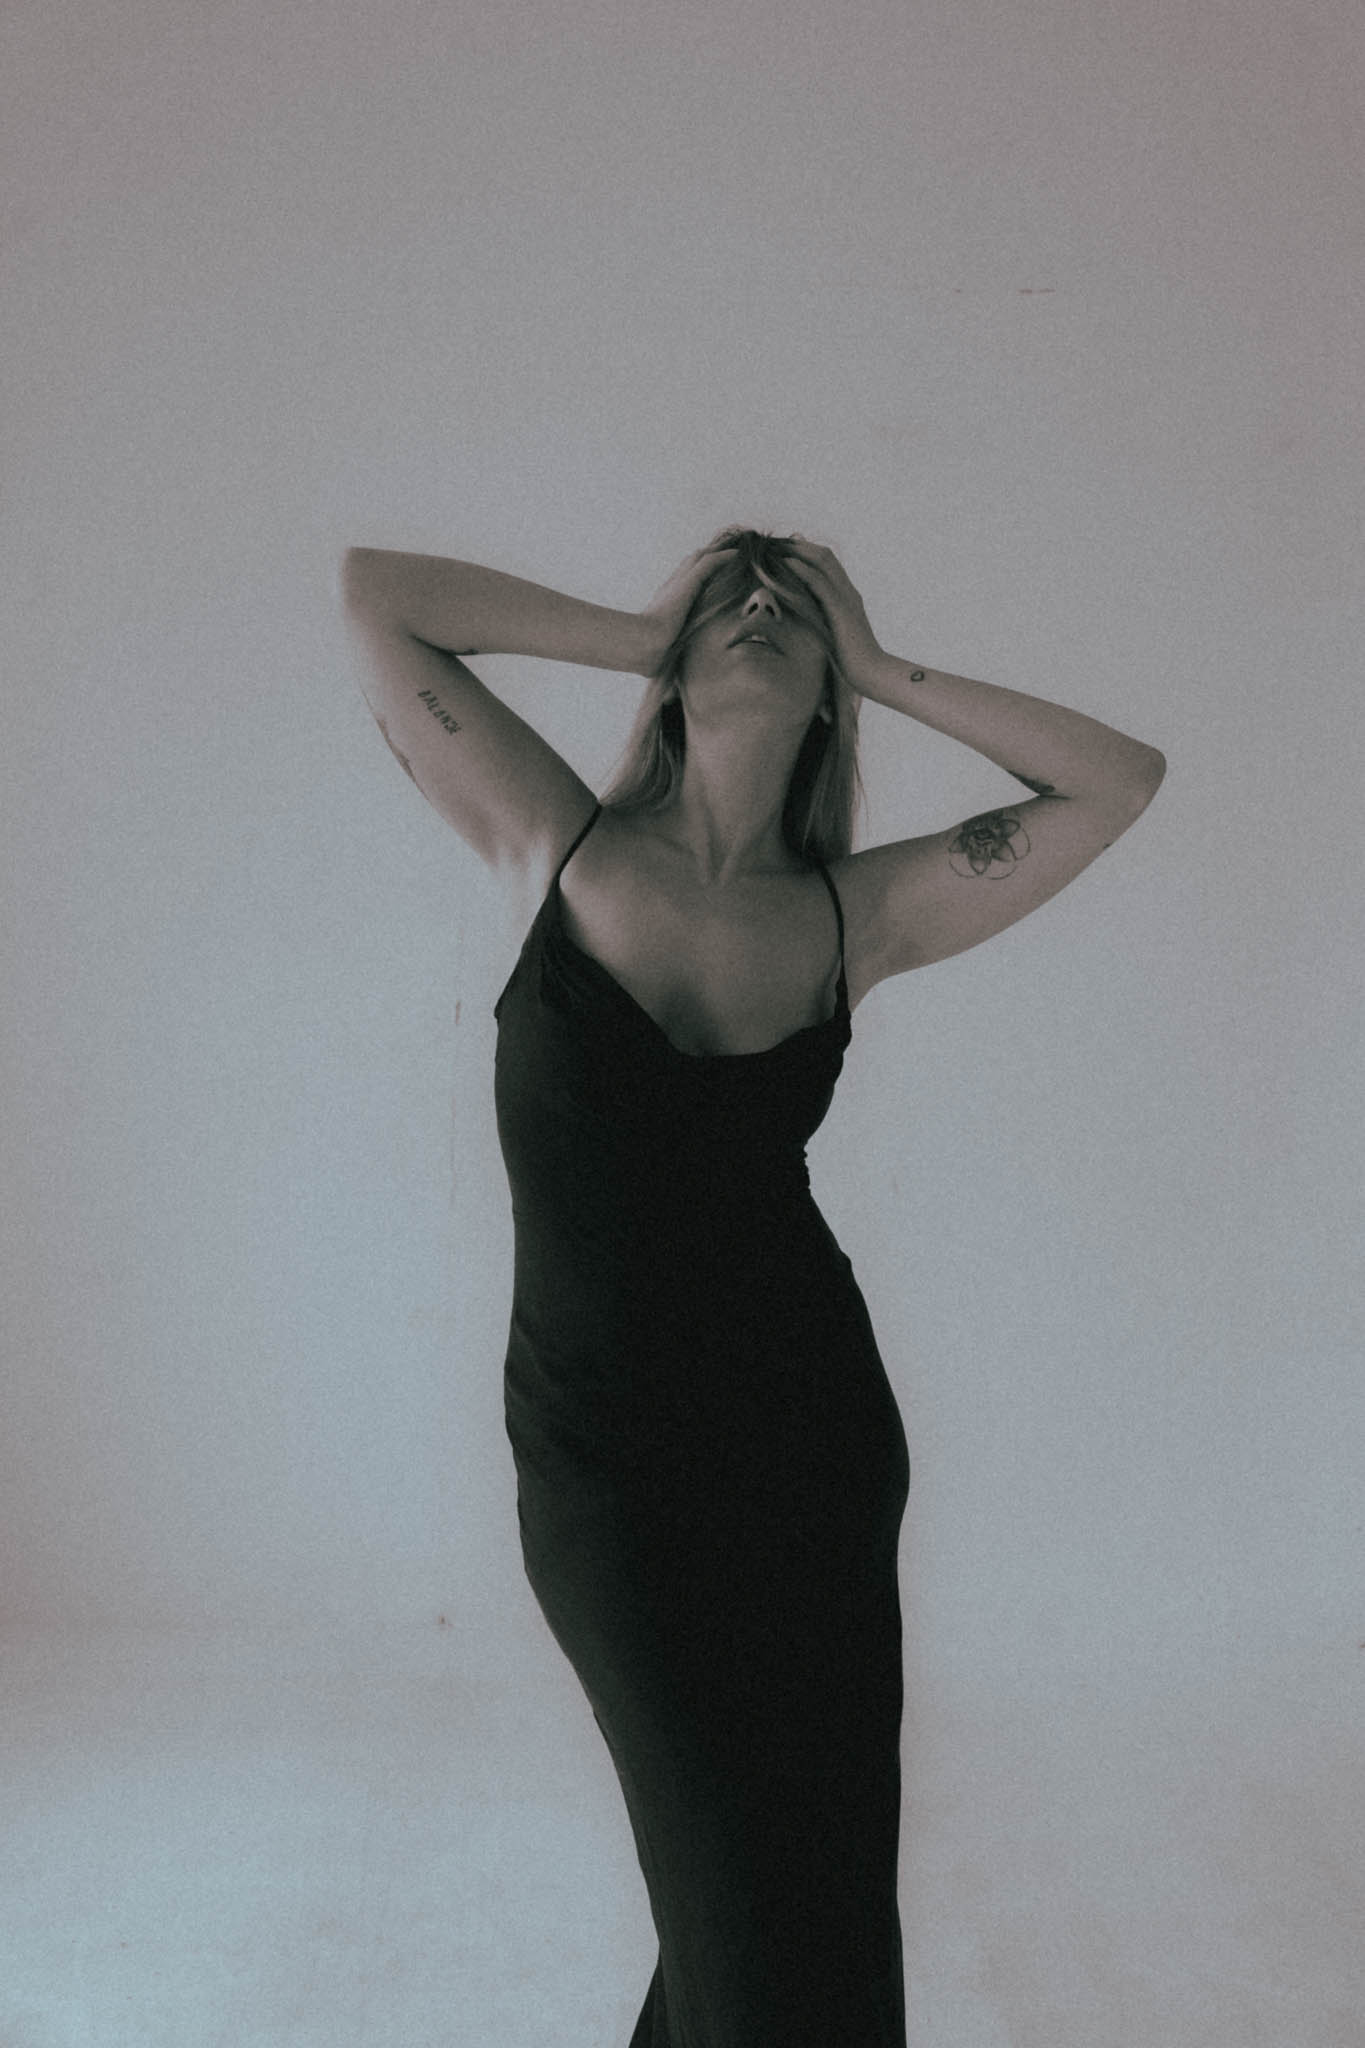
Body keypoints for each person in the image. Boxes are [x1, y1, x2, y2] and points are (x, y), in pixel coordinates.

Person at [340, 527, 1166, 2045]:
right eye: (736, 593)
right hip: (607, 1472)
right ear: (675, 665)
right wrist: (635, 631)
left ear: (829, 687)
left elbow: (1116, 782)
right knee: (742, 1909)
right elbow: (377, 595)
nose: (765, 609)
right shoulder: (555, 842)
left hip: (809, 1452)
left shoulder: (859, 912)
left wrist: (882, 662)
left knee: (809, 1907)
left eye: (796, 604)